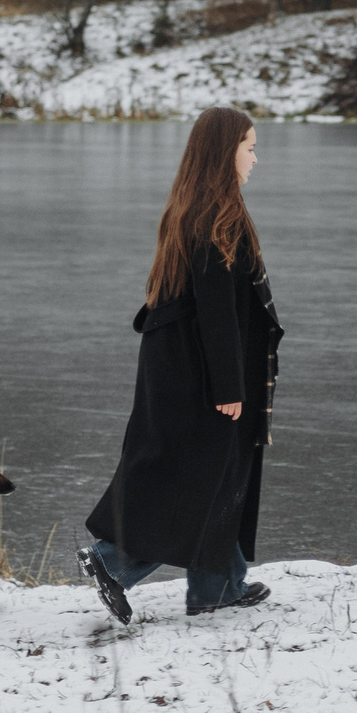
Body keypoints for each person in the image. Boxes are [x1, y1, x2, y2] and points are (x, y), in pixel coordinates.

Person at [79, 107, 283, 621]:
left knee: (217, 472)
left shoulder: (195, 206)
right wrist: (229, 386)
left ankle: (219, 586)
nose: (255, 158)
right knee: (198, 479)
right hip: (202, 373)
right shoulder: (217, 219)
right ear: (224, 152)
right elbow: (217, 311)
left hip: (181, 365)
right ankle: (111, 562)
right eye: (250, 147)